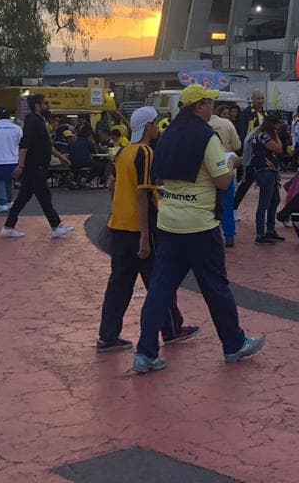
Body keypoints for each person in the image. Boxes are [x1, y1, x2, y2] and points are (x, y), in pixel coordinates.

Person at [132, 85, 262, 373]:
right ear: (198, 107)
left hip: (169, 223)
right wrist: (231, 163)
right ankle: (234, 344)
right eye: (208, 104)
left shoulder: (167, 136)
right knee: (216, 288)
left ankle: (145, 353)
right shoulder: (207, 137)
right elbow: (222, 182)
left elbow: (160, 179)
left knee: (160, 290)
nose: (212, 109)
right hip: (201, 225)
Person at [96, 106, 198, 354]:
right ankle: (172, 329)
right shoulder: (145, 152)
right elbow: (142, 193)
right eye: (155, 123)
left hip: (119, 225)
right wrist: (144, 234)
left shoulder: (123, 152)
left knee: (119, 284)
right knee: (159, 281)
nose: (157, 127)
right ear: (148, 126)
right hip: (141, 226)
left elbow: (113, 186)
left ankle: (108, 336)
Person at [0, 94, 74, 240]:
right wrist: (20, 166)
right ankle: (56, 226)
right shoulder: (33, 122)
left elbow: (47, 145)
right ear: (37, 105)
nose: (49, 106)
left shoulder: (39, 122)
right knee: (44, 197)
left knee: (23, 197)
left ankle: (8, 226)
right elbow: (24, 145)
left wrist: (61, 157)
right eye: (46, 103)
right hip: (35, 167)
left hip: (35, 167)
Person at [247, 114, 284, 245]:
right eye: (278, 124)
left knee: (274, 200)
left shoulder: (259, 134)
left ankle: (270, 229)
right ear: (273, 124)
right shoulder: (264, 136)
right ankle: (261, 233)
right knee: (265, 202)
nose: (280, 126)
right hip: (265, 171)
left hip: (268, 170)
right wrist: (276, 135)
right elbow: (279, 148)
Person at [209, 103, 242, 247]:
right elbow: (237, 145)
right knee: (227, 203)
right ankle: (229, 236)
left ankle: (212, 236)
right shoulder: (227, 124)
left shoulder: (203, 124)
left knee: (209, 204)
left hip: (208, 167)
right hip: (225, 162)